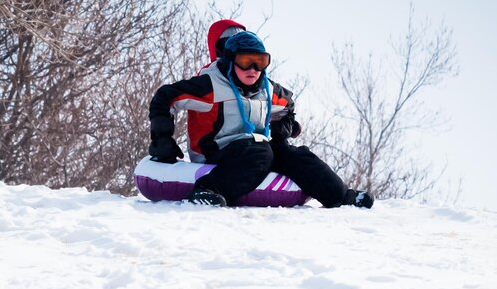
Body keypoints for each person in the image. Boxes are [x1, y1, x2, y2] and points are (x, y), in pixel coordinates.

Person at [148, 29, 374, 209]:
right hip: (215, 150)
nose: (254, 69)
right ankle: (207, 190)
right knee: (262, 152)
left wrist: (284, 129)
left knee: (295, 154)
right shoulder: (210, 86)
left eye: (260, 62)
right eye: (246, 61)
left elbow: (288, 107)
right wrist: (162, 139)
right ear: (230, 61)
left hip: (251, 147)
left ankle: (342, 197)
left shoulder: (268, 89)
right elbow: (165, 97)